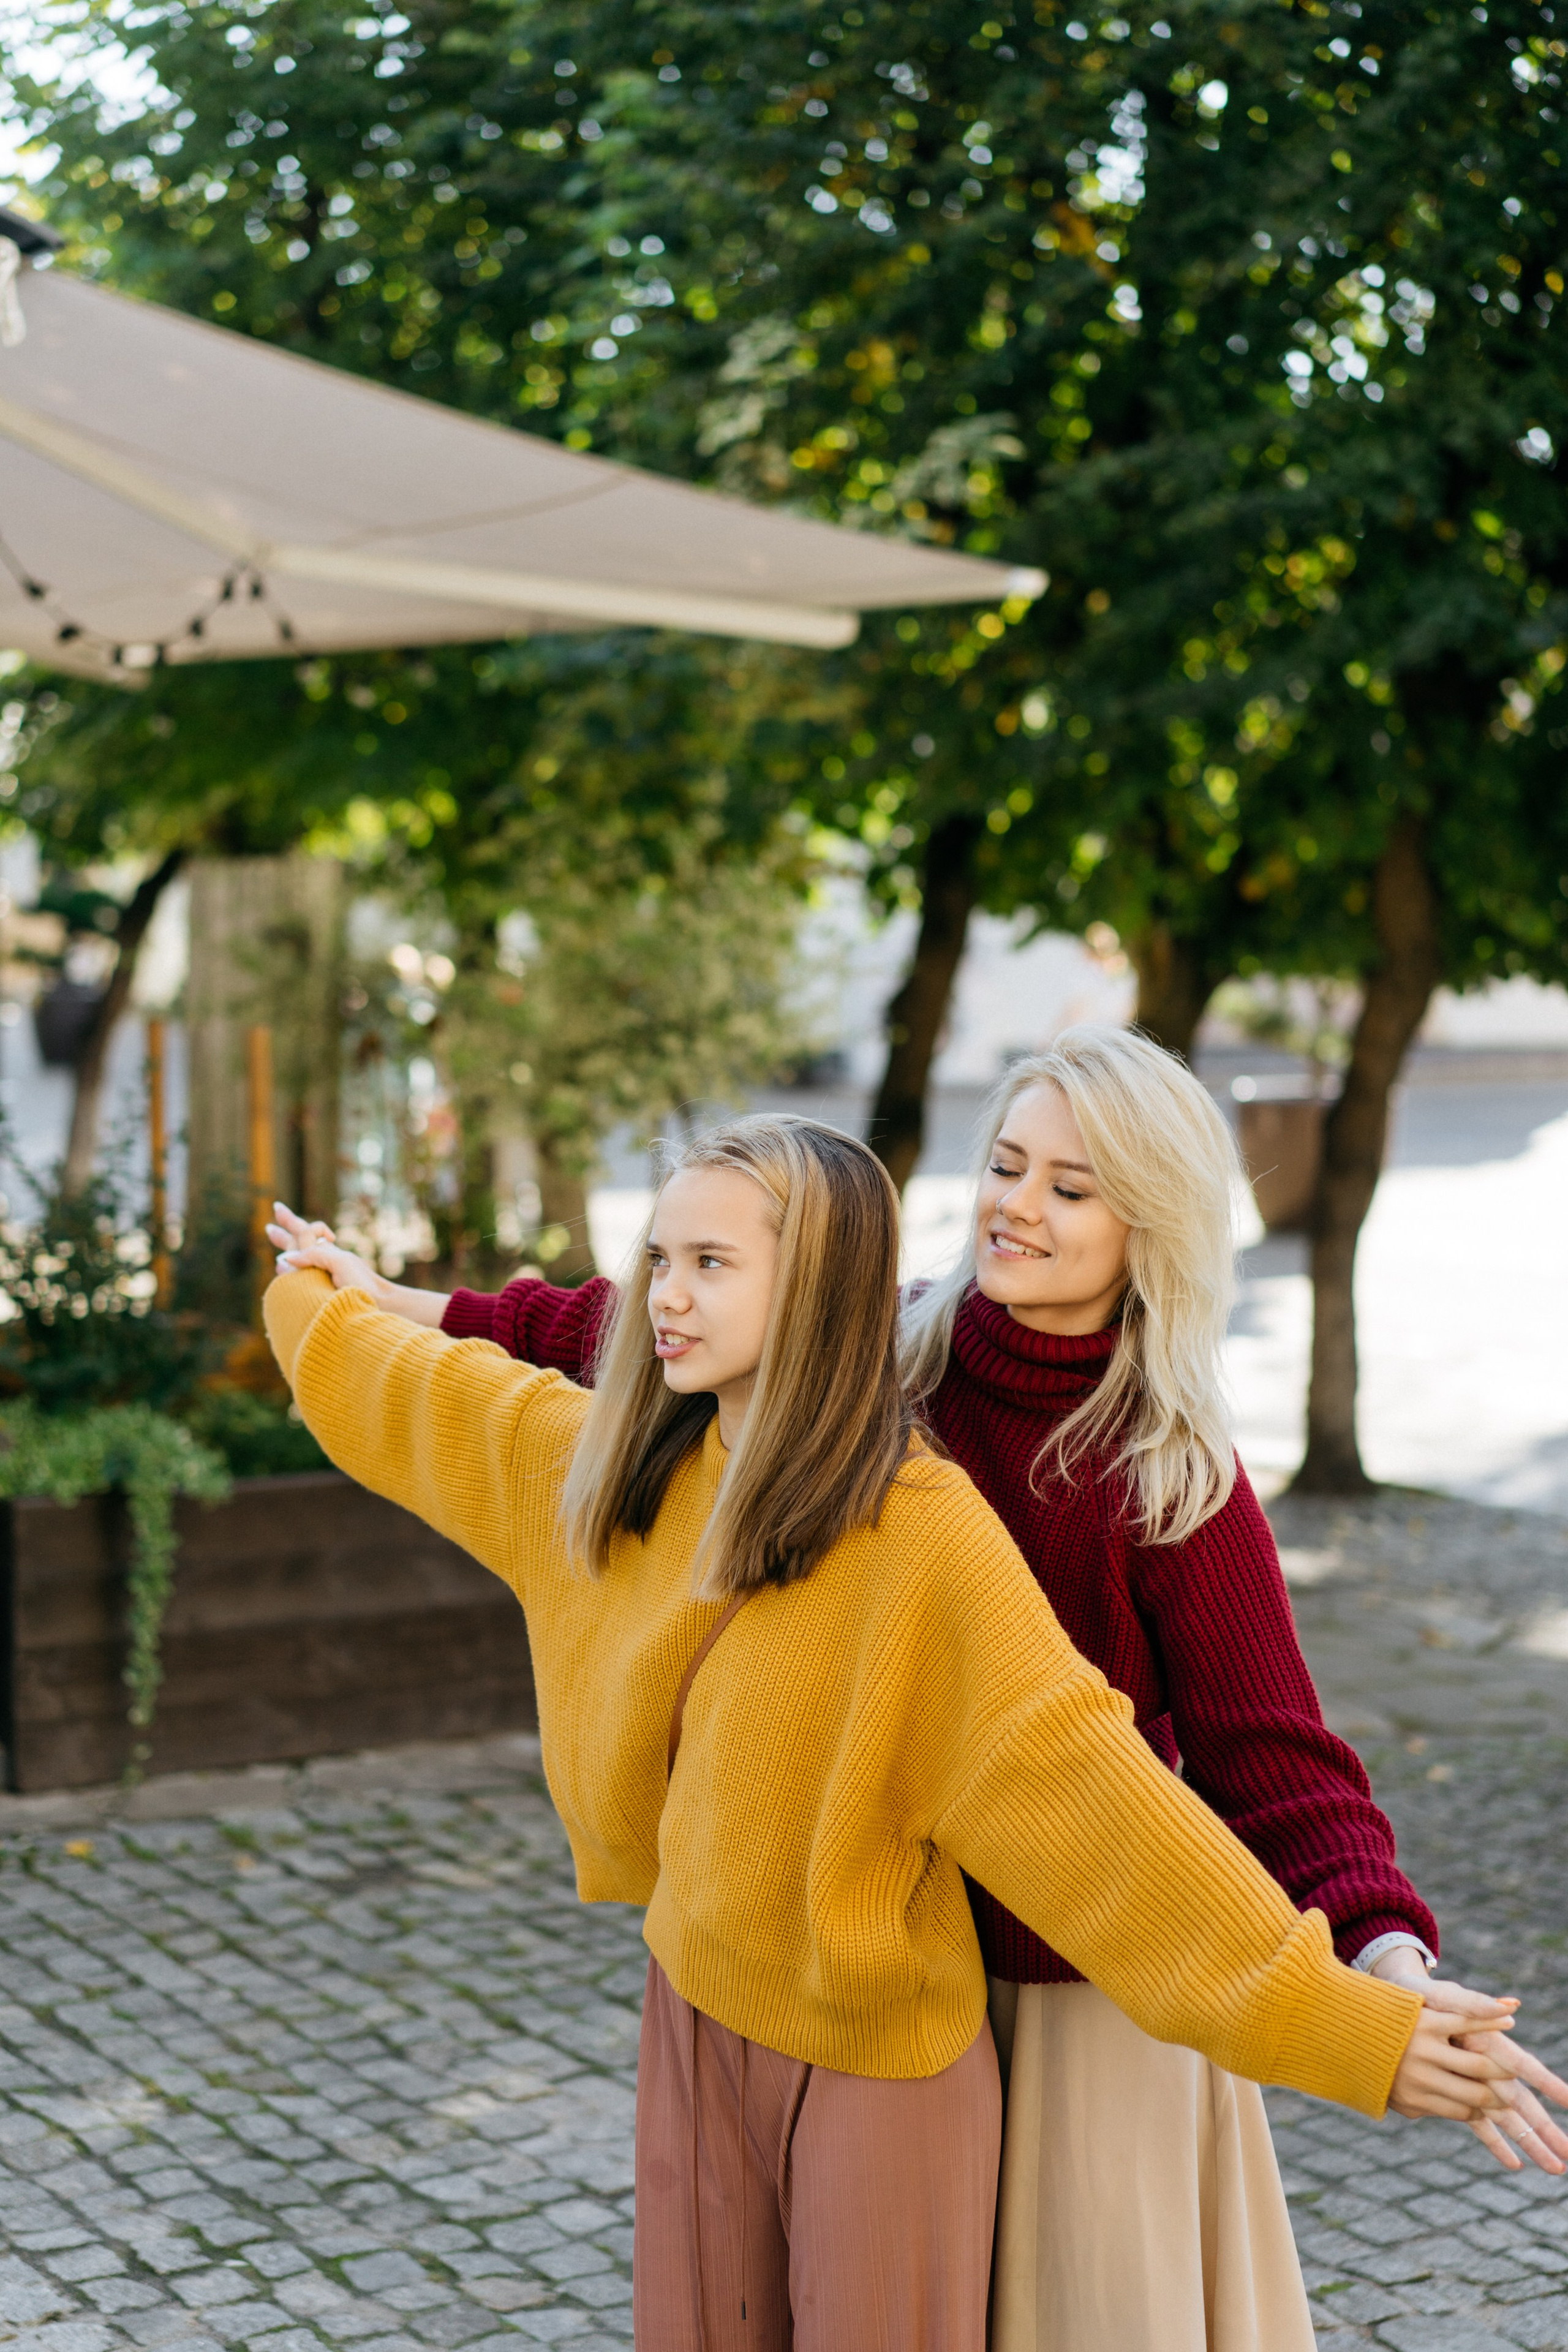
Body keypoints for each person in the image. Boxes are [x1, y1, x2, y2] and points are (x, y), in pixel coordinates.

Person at [274, 1032, 1568, 2352]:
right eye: (1007, 1164)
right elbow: (655, 1323)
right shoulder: (887, 1362)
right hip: (876, 1949)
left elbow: (1279, 1769)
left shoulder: (1171, 1478)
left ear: (1152, 1221)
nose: (1017, 1203)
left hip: (1080, 1987)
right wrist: (405, 1303)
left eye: (1072, 1186)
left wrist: (1385, 1967)